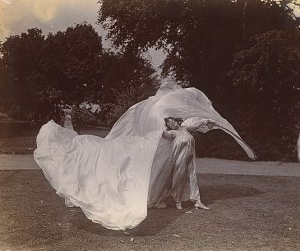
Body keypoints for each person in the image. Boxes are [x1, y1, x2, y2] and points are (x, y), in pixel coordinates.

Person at [34, 82, 255, 230]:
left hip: (166, 149)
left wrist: (209, 124)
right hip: (158, 148)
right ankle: (158, 198)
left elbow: (197, 123)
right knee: (140, 168)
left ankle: (163, 198)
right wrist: (175, 130)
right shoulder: (160, 116)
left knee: (159, 172)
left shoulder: (165, 115)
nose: (175, 120)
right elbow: (169, 131)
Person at [148, 117, 209, 210]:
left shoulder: (186, 129)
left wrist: (207, 120)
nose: (171, 124)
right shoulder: (173, 133)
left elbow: (196, 125)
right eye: (169, 124)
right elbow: (164, 134)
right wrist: (160, 125)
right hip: (179, 159)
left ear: (177, 121)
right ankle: (178, 201)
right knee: (178, 179)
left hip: (190, 159)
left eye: (172, 121)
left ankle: (198, 201)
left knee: (193, 179)